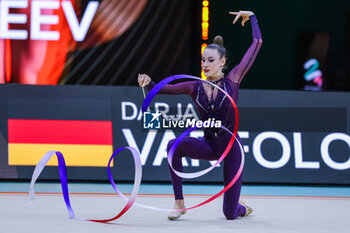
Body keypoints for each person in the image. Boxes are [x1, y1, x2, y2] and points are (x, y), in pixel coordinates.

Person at [138, 10, 262, 220]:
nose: (205, 64)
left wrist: (252, 17)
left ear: (222, 62)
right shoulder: (194, 87)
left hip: (232, 149)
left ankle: (241, 207)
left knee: (230, 214)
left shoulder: (233, 81)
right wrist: (147, 81)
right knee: (173, 146)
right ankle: (179, 203)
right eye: (203, 59)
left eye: (211, 60)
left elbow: (256, 43)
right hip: (210, 145)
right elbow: (160, 89)